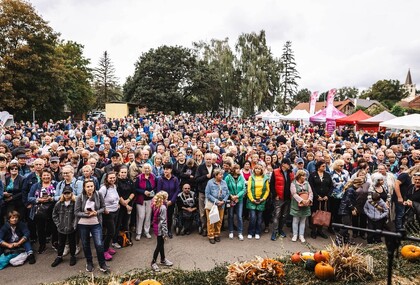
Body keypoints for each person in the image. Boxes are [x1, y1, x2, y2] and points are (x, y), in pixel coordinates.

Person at [75, 179, 109, 273]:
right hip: (83, 224)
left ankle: (102, 263)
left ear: (94, 187)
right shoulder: (80, 197)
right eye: (88, 186)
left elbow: (103, 208)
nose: (90, 188)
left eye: (91, 186)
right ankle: (89, 262)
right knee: (85, 244)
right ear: (84, 188)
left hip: (96, 223)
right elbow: (76, 212)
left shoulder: (98, 195)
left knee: (98, 244)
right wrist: (86, 214)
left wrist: (96, 212)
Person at [27, 168, 58, 254]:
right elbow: (29, 198)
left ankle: (55, 243)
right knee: (40, 228)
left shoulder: (56, 184)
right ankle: (42, 244)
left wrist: (52, 198)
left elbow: (60, 195)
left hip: (53, 208)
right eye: (44, 175)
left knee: (54, 226)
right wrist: (38, 200)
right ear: (41, 176)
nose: (46, 177)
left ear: (51, 176)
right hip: (39, 209)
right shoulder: (36, 186)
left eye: (48, 175)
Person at [51, 186, 77, 267]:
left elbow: (76, 215)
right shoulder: (59, 204)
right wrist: (58, 224)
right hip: (61, 228)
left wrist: (74, 224)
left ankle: (73, 256)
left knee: (72, 242)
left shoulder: (74, 203)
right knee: (61, 243)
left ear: (71, 193)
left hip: (71, 228)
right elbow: (54, 215)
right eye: (65, 193)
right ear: (63, 194)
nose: (67, 195)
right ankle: (59, 256)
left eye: (68, 193)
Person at [270, 158, 294, 240]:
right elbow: (271, 185)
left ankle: (280, 230)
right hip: (279, 197)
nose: (289, 165)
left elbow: (293, 184)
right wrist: (275, 195)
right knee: (277, 215)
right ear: (283, 164)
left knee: (284, 216)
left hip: (287, 198)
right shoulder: (275, 172)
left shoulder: (290, 173)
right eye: (288, 164)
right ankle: (275, 231)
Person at [308, 161, 333, 239]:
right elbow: (310, 186)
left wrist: (327, 195)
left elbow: (331, 186)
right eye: (322, 166)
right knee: (314, 214)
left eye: (325, 166)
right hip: (316, 198)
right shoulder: (313, 175)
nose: (324, 168)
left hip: (325, 199)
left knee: (322, 214)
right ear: (318, 167)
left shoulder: (327, 175)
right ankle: (313, 230)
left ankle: (320, 230)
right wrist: (316, 196)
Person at [98, 171, 120, 261]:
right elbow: (99, 199)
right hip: (108, 213)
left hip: (115, 211)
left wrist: (117, 204)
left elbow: (115, 197)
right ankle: (104, 251)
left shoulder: (114, 186)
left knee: (112, 231)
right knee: (111, 231)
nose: (112, 179)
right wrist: (104, 209)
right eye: (110, 178)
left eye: (114, 177)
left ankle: (106, 247)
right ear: (106, 178)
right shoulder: (103, 188)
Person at [336, 178, 364, 246]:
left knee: (347, 225)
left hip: (346, 209)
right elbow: (348, 200)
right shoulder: (350, 190)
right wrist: (352, 208)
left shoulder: (351, 189)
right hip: (345, 210)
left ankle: (346, 238)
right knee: (346, 225)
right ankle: (338, 237)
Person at [205, 168, 229, 244]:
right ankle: (211, 235)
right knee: (211, 221)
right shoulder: (210, 182)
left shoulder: (224, 182)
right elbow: (207, 194)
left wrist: (224, 201)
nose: (222, 176)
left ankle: (217, 234)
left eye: (222, 174)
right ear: (215, 175)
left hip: (221, 205)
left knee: (219, 221)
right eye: (220, 174)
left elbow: (228, 193)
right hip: (212, 205)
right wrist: (216, 201)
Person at [195, 153, 217, 237]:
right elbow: (196, 179)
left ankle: (212, 230)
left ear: (212, 160)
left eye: (210, 159)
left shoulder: (215, 168)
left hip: (213, 194)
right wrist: (205, 176)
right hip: (202, 192)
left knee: (213, 211)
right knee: (203, 212)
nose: (208, 161)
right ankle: (204, 228)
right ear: (204, 159)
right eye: (207, 159)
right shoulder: (200, 168)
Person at [150, 191, 173, 272]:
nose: (167, 199)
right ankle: (153, 262)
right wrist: (165, 233)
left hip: (156, 227)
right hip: (160, 229)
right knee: (159, 245)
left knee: (161, 244)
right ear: (163, 198)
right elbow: (163, 221)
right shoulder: (163, 207)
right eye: (167, 198)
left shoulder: (156, 205)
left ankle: (163, 259)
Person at [246, 163, 270, 240]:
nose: (257, 170)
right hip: (252, 200)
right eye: (256, 168)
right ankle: (250, 232)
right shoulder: (251, 177)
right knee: (253, 217)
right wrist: (252, 199)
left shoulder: (265, 178)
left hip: (261, 200)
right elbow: (248, 189)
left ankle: (257, 232)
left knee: (259, 218)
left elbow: (267, 190)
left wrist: (263, 199)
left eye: (259, 169)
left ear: (261, 170)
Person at [156, 163, 180, 238]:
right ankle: (162, 231)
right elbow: (158, 191)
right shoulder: (160, 179)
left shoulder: (175, 179)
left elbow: (177, 190)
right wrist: (164, 201)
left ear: (171, 170)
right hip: (163, 202)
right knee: (162, 217)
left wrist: (171, 201)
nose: (165, 171)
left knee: (170, 216)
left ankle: (169, 230)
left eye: (167, 169)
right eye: (164, 169)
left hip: (171, 201)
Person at [134, 163, 156, 241]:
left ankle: (146, 231)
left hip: (150, 199)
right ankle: (138, 232)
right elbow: (135, 188)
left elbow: (156, 187)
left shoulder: (153, 177)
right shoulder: (139, 177)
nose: (147, 170)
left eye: (148, 168)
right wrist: (144, 192)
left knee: (148, 216)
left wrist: (153, 191)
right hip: (141, 199)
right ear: (143, 169)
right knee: (141, 216)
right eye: (145, 168)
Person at [290, 170, 313, 242]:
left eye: (305, 176)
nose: (305, 177)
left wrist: (309, 200)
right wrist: (301, 200)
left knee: (303, 220)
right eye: (303, 176)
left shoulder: (307, 183)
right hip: (296, 204)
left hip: (306, 204)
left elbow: (310, 192)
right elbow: (294, 194)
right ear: (299, 176)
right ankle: (295, 235)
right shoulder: (293, 183)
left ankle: (301, 235)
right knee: (295, 220)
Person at [114, 165, 135, 248]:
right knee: (118, 223)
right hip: (120, 206)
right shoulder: (117, 182)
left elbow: (133, 192)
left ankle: (126, 238)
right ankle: (115, 240)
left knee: (126, 223)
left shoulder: (130, 181)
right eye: (122, 172)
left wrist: (128, 201)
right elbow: (118, 195)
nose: (123, 174)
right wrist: (126, 205)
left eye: (125, 172)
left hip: (128, 204)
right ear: (119, 173)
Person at [224, 164, 246, 241]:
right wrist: (231, 196)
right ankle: (231, 231)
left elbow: (244, 189)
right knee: (230, 215)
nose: (238, 170)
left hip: (239, 200)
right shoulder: (228, 178)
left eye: (239, 168)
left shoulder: (241, 178)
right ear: (233, 170)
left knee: (239, 216)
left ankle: (240, 232)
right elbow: (225, 188)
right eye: (237, 169)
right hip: (230, 199)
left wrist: (237, 196)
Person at [330, 159, 350, 232]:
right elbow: (332, 183)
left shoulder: (345, 172)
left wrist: (345, 186)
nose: (342, 167)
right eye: (340, 165)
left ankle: (340, 226)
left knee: (341, 211)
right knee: (334, 211)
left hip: (343, 195)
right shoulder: (331, 173)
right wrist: (341, 184)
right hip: (334, 195)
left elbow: (349, 181)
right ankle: (333, 226)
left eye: (343, 165)